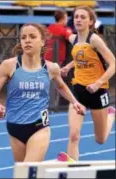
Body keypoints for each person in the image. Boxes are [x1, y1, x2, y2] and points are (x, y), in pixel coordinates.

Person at [0, 23, 85, 162]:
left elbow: (61, 86)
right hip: (14, 126)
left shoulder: (51, 68)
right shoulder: (8, 65)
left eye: (32, 37)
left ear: (42, 41)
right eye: (23, 37)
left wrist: (74, 102)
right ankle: (60, 165)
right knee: (23, 174)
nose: (27, 40)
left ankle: (58, 164)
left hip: (39, 126)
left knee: (28, 170)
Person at [57, 5, 116, 162]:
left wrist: (98, 83)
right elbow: (80, 59)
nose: (78, 20)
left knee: (101, 139)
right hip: (78, 91)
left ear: (91, 22)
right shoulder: (73, 39)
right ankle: (71, 167)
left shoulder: (95, 40)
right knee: (74, 135)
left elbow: (113, 64)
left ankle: (111, 114)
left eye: (83, 17)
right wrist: (68, 67)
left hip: (97, 92)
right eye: (76, 17)